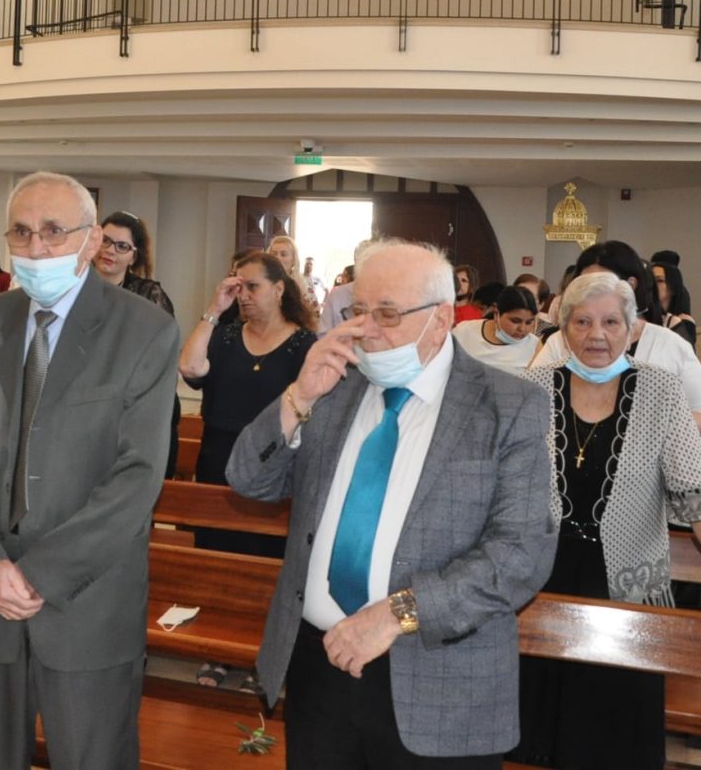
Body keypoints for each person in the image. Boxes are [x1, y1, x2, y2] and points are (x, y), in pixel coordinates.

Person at [226, 239, 558, 768]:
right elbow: (248, 481)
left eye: (387, 314)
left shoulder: (508, 405)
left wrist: (397, 613)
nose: (367, 330)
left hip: (439, 680)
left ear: (441, 318)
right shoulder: (333, 387)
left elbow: (520, 555)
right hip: (320, 669)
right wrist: (298, 397)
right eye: (358, 311)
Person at [0, 171, 179, 770]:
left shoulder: (144, 330)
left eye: (53, 231)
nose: (37, 248)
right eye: (21, 232)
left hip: (86, 601)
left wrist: (39, 575)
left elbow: (137, 476)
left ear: (92, 240)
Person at [512, 272, 701, 768]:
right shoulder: (531, 389)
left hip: (626, 593)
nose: (597, 334)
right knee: (533, 732)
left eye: (611, 322)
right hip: (538, 584)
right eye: (582, 322)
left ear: (632, 329)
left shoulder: (660, 390)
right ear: (563, 329)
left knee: (612, 738)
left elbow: (696, 493)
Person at [179, 249, 315, 691]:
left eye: (252, 287)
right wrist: (212, 310)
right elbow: (190, 367)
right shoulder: (224, 335)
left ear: (279, 288)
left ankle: (263, 660)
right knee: (217, 561)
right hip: (218, 461)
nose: (244, 296)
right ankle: (217, 651)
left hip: (275, 468)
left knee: (266, 565)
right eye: (237, 287)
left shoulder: (303, 345)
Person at [532, 240, 701, 437]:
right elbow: (528, 400)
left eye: (602, 283)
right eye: (583, 283)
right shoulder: (560, 341)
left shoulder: (669, 344)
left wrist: (652, 432)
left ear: (630, 285)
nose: (591, 291)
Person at [94, 211, 180, 478]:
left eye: (122, 246)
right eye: (105, 241)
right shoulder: (73, 288)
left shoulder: (149, 295)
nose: (110, 251)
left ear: (133, 257)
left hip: (137, 408)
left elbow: (161, 359)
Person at [452, 285, 540, 372]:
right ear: (496, 312)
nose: (522, 329)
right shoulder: (464, 332)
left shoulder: (535, 347)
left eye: (529, 322)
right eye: (515, 321)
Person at [267, 234, 317, 314]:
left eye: (283, 254)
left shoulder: (302, 286)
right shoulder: (260, 282)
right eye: (274, 254)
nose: (277, 258)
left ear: (293, 260)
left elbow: (314, 314)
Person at [653, 261, 696, 349]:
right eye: (650, 280)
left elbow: (685, 352)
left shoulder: (683, 320)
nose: (652, 285)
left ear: (673, 286)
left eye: (659, 280)